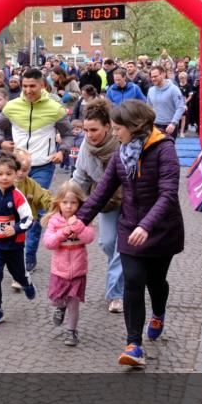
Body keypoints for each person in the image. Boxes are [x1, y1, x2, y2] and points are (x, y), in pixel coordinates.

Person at [74, 101, 184, 367]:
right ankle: (134, 344)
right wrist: (78, 221)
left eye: (117, 128)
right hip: (129, 227)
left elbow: (168, 194)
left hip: (161, 230)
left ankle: (158, 313)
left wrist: (146, 226)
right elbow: (101, 193)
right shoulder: (120, 154)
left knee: (156, 283)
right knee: (133, 281)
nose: (114, 133)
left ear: (134, 127)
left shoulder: (164, 149)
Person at [0, 67, 69, 273]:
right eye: (25, 86)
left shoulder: (55, 107)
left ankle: (28, 257)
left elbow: (69, 134)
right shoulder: (12, 106)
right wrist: (1, 142)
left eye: (33, 86)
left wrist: (62, 151)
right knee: (12, 208)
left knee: (32, 209)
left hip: (43, 166)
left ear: (42, 85)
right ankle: (11, 252)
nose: (28, 90)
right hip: (16, 167)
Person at [70, 98, 124, 313]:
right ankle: (124, 273)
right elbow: (80, 177)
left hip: (130, 198)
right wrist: (68, 203)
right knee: (108, 243)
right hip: (106, 200)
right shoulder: (85, 146)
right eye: (86, 130)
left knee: (123, 246)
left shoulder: (122, 141)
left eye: (94, 130)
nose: (89, 135)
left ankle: (116, 293)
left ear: (108, 127)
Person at [0, 152, 37, 326]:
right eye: (0, 174)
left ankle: (27, 283)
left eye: (8, 174)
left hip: (15, 245)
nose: (4, 177)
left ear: (16, 174)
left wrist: (16, 229)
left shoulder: (18, 196)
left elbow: (29, 219)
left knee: (18, 274)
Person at [42, 180, 96, 346]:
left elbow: (89, 238)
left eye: (73, 203)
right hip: (59, 271)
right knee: (54, 300)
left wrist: (78, 227)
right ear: (58, 202)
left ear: (79, 203)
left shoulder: (83, 220)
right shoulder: (54, 221)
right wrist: (64, 232)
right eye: (65, 202)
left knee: (74, 303)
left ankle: (71, 332)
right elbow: (48, 243)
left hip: (79, 270)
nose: (69, 206)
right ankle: (60, 306)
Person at [146, 66, 185, 136]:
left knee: (168, 147)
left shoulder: (174, 89)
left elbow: (181, 107)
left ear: (163, 74)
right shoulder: (151, 90)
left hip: (169, 126)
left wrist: (173, 123)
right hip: (155, 125)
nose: (153, 79)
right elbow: (148, 107)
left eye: (155, 76)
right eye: (152, 77)